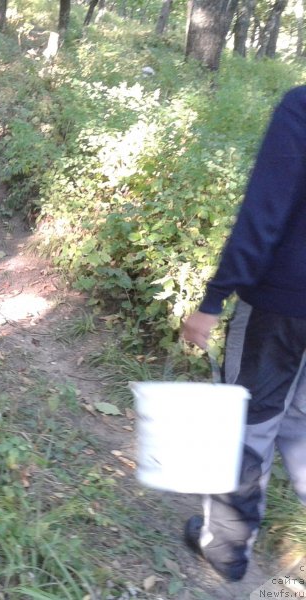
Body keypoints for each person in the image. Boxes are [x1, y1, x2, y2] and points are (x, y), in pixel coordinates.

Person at [180, 84, 306, 582]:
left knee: (247, 422)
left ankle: (226, 549)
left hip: (282, 304)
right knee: (300, 423)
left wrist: (214, 300)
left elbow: (264, 211)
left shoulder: (302, 107)